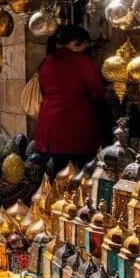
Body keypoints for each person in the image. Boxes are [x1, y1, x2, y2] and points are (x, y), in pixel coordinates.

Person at [34, 24, 106, 172]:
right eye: (84, 42)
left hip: (49, 128)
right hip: (76, 128)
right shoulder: (83, 62)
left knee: (56, 174)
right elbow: (97, 90)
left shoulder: (47, 62)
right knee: (79, 176)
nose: (85, 46)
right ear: (74, 42)